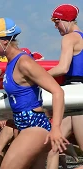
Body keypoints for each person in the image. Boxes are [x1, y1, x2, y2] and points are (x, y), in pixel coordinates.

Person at [0, 17, 68, 169]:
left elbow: (58, 92)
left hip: (35, 126)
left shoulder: (24, 62)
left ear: (4, 40)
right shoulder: (11, 62)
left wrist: (56, 128)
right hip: (24, 125)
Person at [46, 3, 83, 168]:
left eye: (57, 22)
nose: (55, 26)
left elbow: (63, 67)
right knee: (54, 145)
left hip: (75, 97)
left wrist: (37, 76)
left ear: (67, 20)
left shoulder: (69, 38)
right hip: (76, 95)